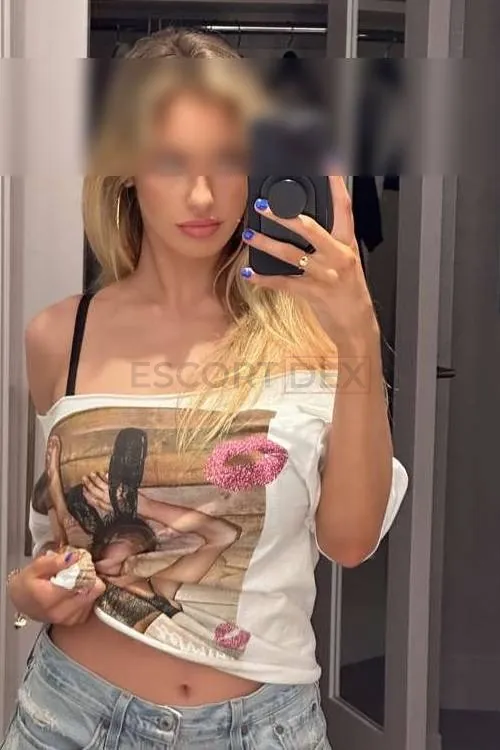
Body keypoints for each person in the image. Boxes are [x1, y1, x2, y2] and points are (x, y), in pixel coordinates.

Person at [3, 28, 409, 750]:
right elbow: (58, 544)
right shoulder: (59, 335)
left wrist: (358, 333)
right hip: (72, 718)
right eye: (171, 161)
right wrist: (30, 588)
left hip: (265, 730)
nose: (202, 194)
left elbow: (349, 541)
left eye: (228, 160)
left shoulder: (312, 333)